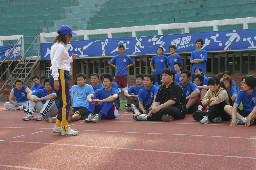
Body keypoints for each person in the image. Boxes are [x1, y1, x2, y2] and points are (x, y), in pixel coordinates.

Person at [49, 25, 79, 136]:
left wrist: (71, 59)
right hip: (60, 74)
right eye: (71, 35)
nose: (71, 38)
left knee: (62, 102)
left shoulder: (57, 45)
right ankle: (65, 128)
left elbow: (62, 62)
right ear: (67, 35)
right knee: (65, 102)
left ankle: (58, 125)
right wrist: (56, 79)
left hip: (60, 73)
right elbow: (55, 63)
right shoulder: (61, 47)